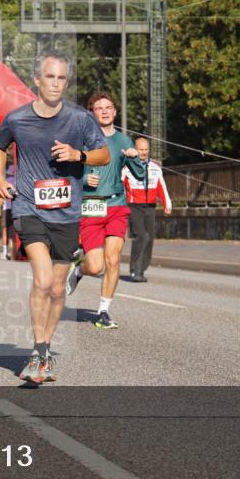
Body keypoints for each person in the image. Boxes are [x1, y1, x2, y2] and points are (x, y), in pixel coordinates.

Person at [0, 51, 109, 383]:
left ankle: (43, 351)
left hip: (67, 213)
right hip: (29, 208)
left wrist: (78, 154)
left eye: (61, 78)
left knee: (57, 289)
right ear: (37, 80)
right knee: (42, 280)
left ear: (66, 82)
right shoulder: (16, 119)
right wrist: (1, 179)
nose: (56, 83)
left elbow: (102, 154)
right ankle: (36, 352)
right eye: (50, 77)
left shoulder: (80, 119)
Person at [64, 92, 144, 330]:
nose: (105, 111)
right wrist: (84, 178)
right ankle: (79, 270)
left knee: (113, 259)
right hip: (91, 206)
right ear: (92, 114)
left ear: (115, 112)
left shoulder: (124, 141)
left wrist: (135, 157)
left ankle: (103, 311)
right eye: (99, 108)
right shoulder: (83, 141)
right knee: (95, 266)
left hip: (117, 205)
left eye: (109, 107)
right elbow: (68, 172)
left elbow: (139, 174)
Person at [123, 137, 171, 282]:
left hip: (150, 206)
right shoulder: (127, 167)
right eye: (140, 150)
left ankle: (142, 270)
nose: (143, 153)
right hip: (134, 206)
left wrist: (167, 204)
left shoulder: (155, 167)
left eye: (146, 150)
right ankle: (134, 270)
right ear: (135, 149)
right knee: (142, 236)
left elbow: (161, 186)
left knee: (150, 239)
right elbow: (119, 185)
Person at [0, 167, 15, 260]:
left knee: (5, 230)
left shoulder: (6, 181)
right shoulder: (19, 180)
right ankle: (14, 252)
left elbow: (1, 195)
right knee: (14, 231)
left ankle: (5, 252)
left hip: (6, 208)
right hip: (17, 208)